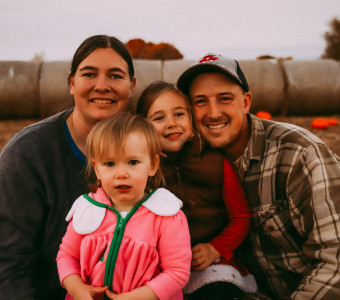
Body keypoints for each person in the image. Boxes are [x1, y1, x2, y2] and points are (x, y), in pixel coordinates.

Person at [177, 53, 340, 299]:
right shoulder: (188, 163)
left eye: (225, 99)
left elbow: (335, 259)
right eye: (200, 101)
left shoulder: (298, 153)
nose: (213, 113)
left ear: (245, 102)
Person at [0, 35, 136, 300]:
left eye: (115, 76)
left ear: (131, 86)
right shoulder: (27, 154)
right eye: (89, 74)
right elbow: (8, 267)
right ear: (71, 83)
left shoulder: (147, 148)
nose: (102, 85)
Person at [136, 81, 257, 300]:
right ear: (143, 127)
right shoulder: (143, 169)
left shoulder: (215, 161)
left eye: (179, 114)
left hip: (209, 261)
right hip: (161, 265)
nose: (171, 123)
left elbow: (241, 216)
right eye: (159, 118)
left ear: (191, 119)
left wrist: (216, 248)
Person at [57, 112, 192, 300]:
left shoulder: (166, 215)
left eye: (133, 162)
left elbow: (177, 271)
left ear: (152, 165)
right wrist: (77, 288)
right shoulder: (88, 209)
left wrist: (136, 297)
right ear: (97, 169)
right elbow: (66, 256)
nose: (121, 173)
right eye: (110, 164)